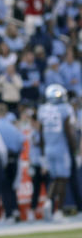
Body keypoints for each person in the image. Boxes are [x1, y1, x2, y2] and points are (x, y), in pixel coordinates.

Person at [38, 83, 77, 221]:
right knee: (63, 179)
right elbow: (68, 131)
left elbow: (40, 134)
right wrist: (75, 149)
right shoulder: (65, 109)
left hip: (48, 148)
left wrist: (42, 154)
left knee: (55, 178)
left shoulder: (42, 110)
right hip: (61, 148)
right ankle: (58, 211)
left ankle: (49, 201)